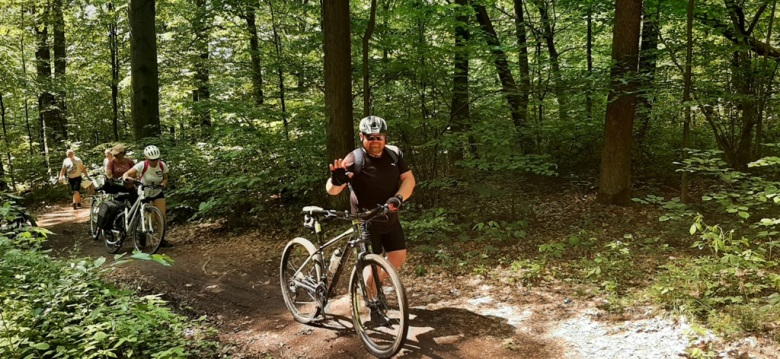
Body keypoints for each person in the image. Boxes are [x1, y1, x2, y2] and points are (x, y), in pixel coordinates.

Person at [325, 116, 416, 324]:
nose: (375, 141)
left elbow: (409, 179)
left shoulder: (394, 154)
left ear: (384, 137)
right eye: (369, 137)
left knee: (398, 257)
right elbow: (332, 190)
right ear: (361, 137)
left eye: (379, 137)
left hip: (389, 216)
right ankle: (373, 304)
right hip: (365, 221)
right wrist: (336, 180)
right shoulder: (354, 159)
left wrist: (399, 198)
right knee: (372, 265)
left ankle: (369, 288)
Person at [122, 145, 170, 247]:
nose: (154, 161)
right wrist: (126, 179)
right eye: (152, 160)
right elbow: (127, 173)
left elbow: (165, 178)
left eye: (156, 159)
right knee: (150, 218)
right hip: (145, 192)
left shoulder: (162, 165)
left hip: (157, 191)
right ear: (147, 158)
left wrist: (164, 183)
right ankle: (142, 232)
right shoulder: (142, 165)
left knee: (161, 217)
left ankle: (161, 239)